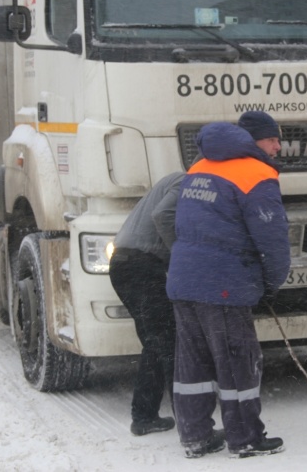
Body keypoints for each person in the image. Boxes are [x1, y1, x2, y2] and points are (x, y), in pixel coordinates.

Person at [166, 111, 290, 459]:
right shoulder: (256, 173)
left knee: (193, 364)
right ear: (253, 141)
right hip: (223, 282)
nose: (277, 146)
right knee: (237, 362)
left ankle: (195, 436)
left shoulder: (199, 167)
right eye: (272, 139)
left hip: (185, 279)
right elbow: (273, 239)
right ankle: (246, 438)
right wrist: (272, 283)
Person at [109, 171, 185, 436]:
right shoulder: (186, 181)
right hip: (139, 265)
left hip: (128, 264)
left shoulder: (176, 179)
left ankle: (145, 416)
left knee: (156, 342)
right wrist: (181, 254)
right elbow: (162, 214)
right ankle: (188, 425)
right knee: (166, 340)